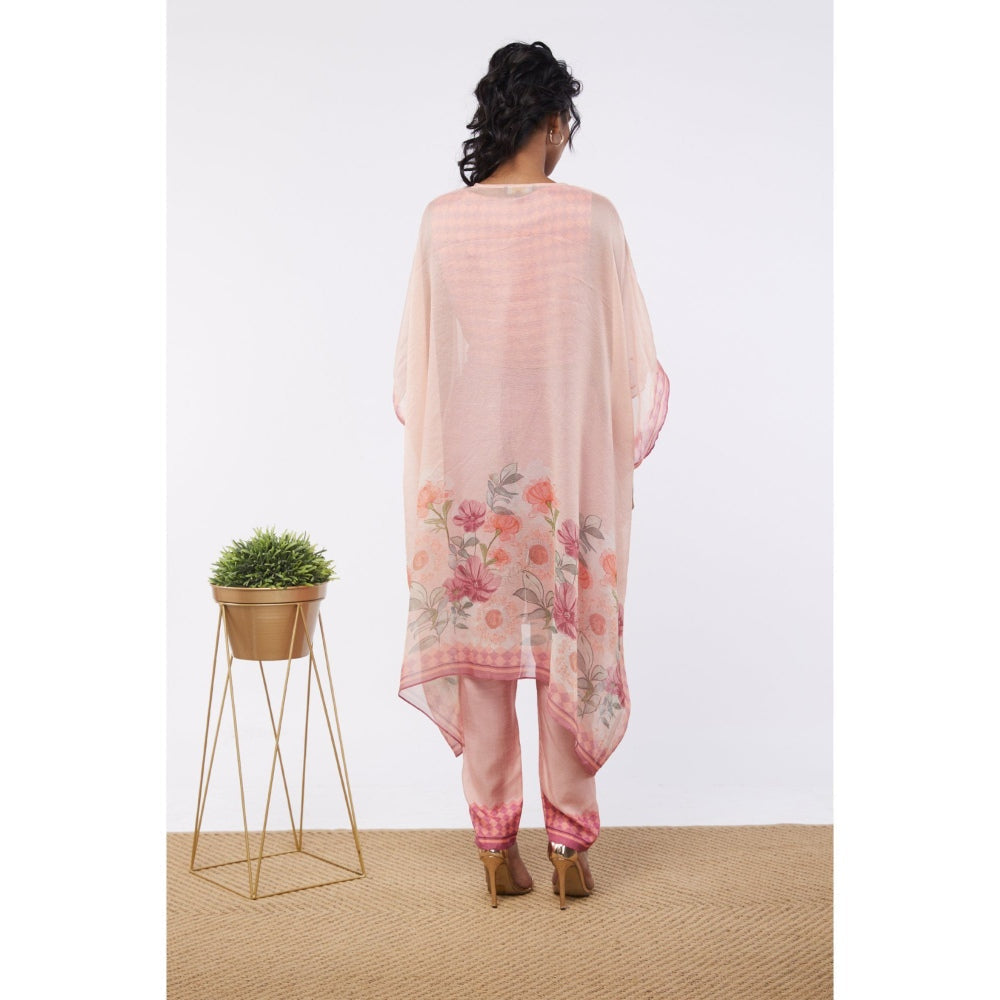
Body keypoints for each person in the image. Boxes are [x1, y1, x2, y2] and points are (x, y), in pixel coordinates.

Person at [392, 40, 670, 909]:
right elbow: (625, 364)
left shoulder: (442, 220)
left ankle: (492, 844)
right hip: (564, 459)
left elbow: (421, 369)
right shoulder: (593, 218)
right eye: (564, 126)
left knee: (481, 652)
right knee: (564, 644)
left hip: (470, 460)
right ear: (552, 121)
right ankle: (568, 845)